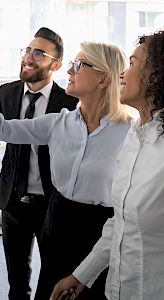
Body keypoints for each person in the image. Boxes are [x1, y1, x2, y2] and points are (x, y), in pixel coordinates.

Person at [0, 40, 135, 299]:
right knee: (50, 290)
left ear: (104, 79)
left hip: (102, 230)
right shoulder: (59, 123)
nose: (69, 72)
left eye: (79, 65)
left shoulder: (130, 133)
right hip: (57, 220)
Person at [49, 30, 164, 300]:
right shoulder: (136, 135)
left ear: (157, 75)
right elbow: (120, 223)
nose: (123, 74)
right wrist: (80, 276)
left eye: (133, 64)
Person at [0, 27, 78, 300]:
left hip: (52, 205)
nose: (28, 58)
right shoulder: (7, 92)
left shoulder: (69, 103)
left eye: (39, 53)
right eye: (27, 50)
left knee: (52, 281)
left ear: (56, 65)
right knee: (17, 284)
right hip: (13, 202)